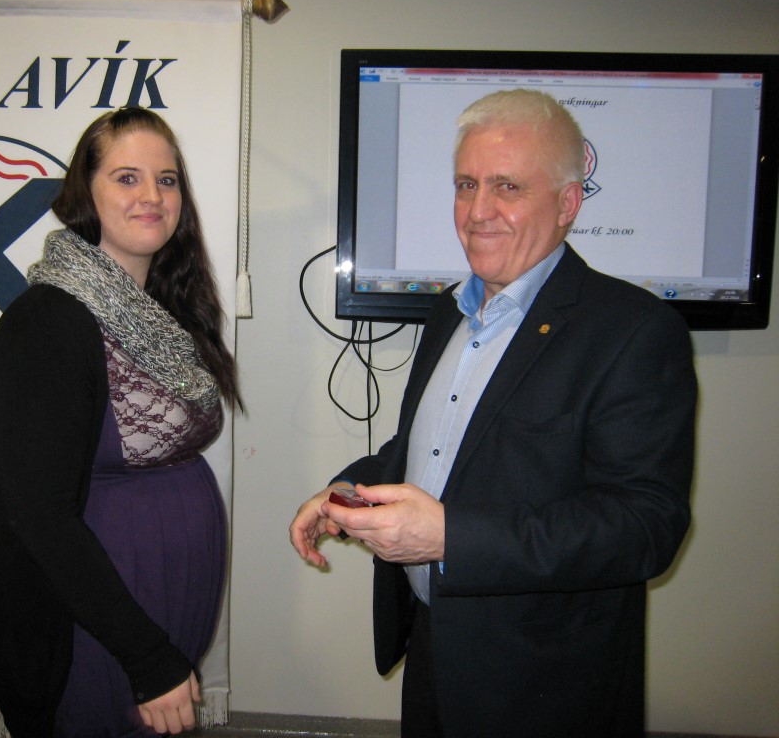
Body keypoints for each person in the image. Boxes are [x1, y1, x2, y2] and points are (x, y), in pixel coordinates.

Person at [290, 89, 696, 738]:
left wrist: (450, 537)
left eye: (507, 186)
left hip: (544, 685)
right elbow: (427, 451)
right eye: (466, 185)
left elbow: (644, 525)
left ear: (567, 204)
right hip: (434, 653)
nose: (479, 211)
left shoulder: (634, 331)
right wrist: (348, 489)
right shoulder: (447, 311)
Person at [0, 107, 241, 738]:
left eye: (166, 180)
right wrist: (145, 656)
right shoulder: (47, 322)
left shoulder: (164, 314)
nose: (152, 196)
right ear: (83, 193)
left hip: (157, 607)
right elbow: (38, 516)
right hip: (91, 625)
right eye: (126, 178)